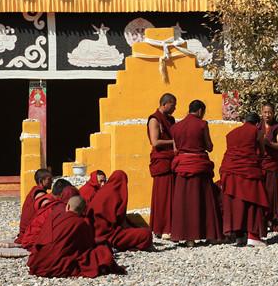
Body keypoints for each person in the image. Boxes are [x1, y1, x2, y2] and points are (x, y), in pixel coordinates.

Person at [28, 195, 126, 278]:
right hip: (58, 265)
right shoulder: (82, 224)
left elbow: (41, 239)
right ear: (83, 211)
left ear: (67, 206)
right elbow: (86, 248)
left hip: (38, 262)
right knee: (102, 251)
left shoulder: (55, 217)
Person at [169, 99, 222, 245]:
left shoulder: (175, 127)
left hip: (183, 166)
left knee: (184, 202)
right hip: (199, 166)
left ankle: (188, 238)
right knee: (205, 200)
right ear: (200, 111)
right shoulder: (202, 124)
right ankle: (210, 235)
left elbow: (175, 150)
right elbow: (209, 146)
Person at [219, 112, 270, 246]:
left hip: (230, 169)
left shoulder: (232, 133)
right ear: (258, 123)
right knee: (254, 201)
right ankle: (253, 236)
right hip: (248, 170)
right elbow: (262, 151)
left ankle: (239, 235)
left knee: (236, 203)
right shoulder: (257, 131)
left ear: (244, 121)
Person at [87, 170, 153, 251]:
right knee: (146, 235)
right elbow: (120, 220)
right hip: (109, 235)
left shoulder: (100, 192)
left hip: (91, 233)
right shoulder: (117, 194)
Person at [17, 178, 79, 249]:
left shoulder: (52, 201)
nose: (51, 181)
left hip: (29, 234)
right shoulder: (47, 202)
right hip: (31, 239)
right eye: (49, 179)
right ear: (62, 194)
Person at [147, 93, 177, 238]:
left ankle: (170, 226)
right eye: (173, 105)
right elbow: (155, 142)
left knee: (171, 195)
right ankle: (161, 228)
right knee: (162, 196)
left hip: (172, 159)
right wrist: (174, 143)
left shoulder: (170, 119)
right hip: (162, 160)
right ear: (165, 103)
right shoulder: (154, 119)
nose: (175, 108)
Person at [258, 103, 278, 224]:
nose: (267, 115)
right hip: (260, 162)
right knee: (260, 191)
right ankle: (261, 217)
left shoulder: (277, 128)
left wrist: (267, 143)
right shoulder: (258, 126)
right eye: (265, 112)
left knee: (271, 191)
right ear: (261, 112)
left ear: (273, 113)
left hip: (272, 163)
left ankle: (271, 217)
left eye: (269, 112)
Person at [17, 168, 53, 243]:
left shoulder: (35, 190)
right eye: (49, 179)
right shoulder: (40, 194)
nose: (51, 182)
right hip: (28, 232)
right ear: (40, 181)